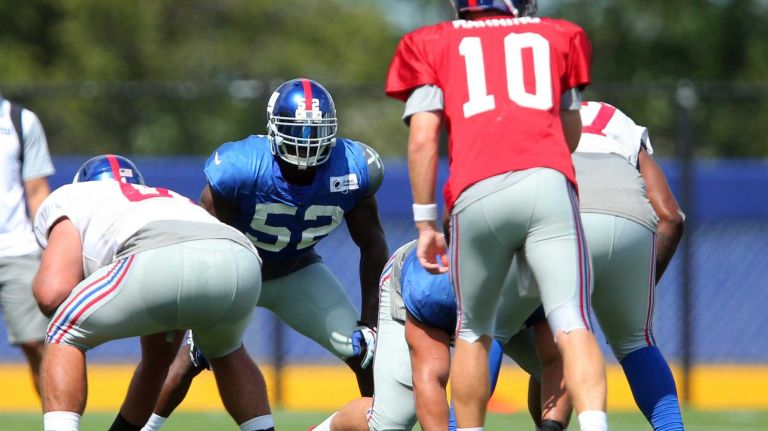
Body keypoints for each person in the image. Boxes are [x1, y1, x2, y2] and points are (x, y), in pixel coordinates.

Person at [385, 1, 608, 430]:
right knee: (571, 319)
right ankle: (595, 426)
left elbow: (423, 138)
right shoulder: (558, 35)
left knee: (472, 331)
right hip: (547, 182)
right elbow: (571, 130)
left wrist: (426, 222)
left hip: (475, 189)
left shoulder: (431, 42)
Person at [125, 78, 389, 431]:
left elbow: (372, 245)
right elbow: (206, 238)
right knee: (194, 355)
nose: (307, 143)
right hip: (239, 275)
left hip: (298, 271)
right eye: (298, 131)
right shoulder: (242, 167)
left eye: (316, 132)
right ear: (274, 128)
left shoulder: (352, 167)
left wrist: (371, 321)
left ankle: (382, 426)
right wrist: (205, 302)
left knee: (366, 351)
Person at [32, 155, 274, 431]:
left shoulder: (72, 196)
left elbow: (51, 293)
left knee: (63, 330)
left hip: (158, 252)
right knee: (226, 351)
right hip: (241, 259)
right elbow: (157, 364)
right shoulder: (169, 197)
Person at [310, 239, 563, 431]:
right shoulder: (429, 289)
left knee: (554, 362)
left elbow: (557, 363)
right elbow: (429, 379)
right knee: (389, 422)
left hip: (497, 305)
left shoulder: (540, 277)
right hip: (420, 283)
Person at [574, 100, 685, 429]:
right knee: (636, 340)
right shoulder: (615, 119)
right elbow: (671, 217)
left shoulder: (536, 114)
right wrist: (636, 289)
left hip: (562, 212)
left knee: (496, 329)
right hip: (631, 217)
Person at [0, 94, 54, 398]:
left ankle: (58, 423)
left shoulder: (21, 120)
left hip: (17, 248)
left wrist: (50, 248)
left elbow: (36, 190)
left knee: (38, 344)